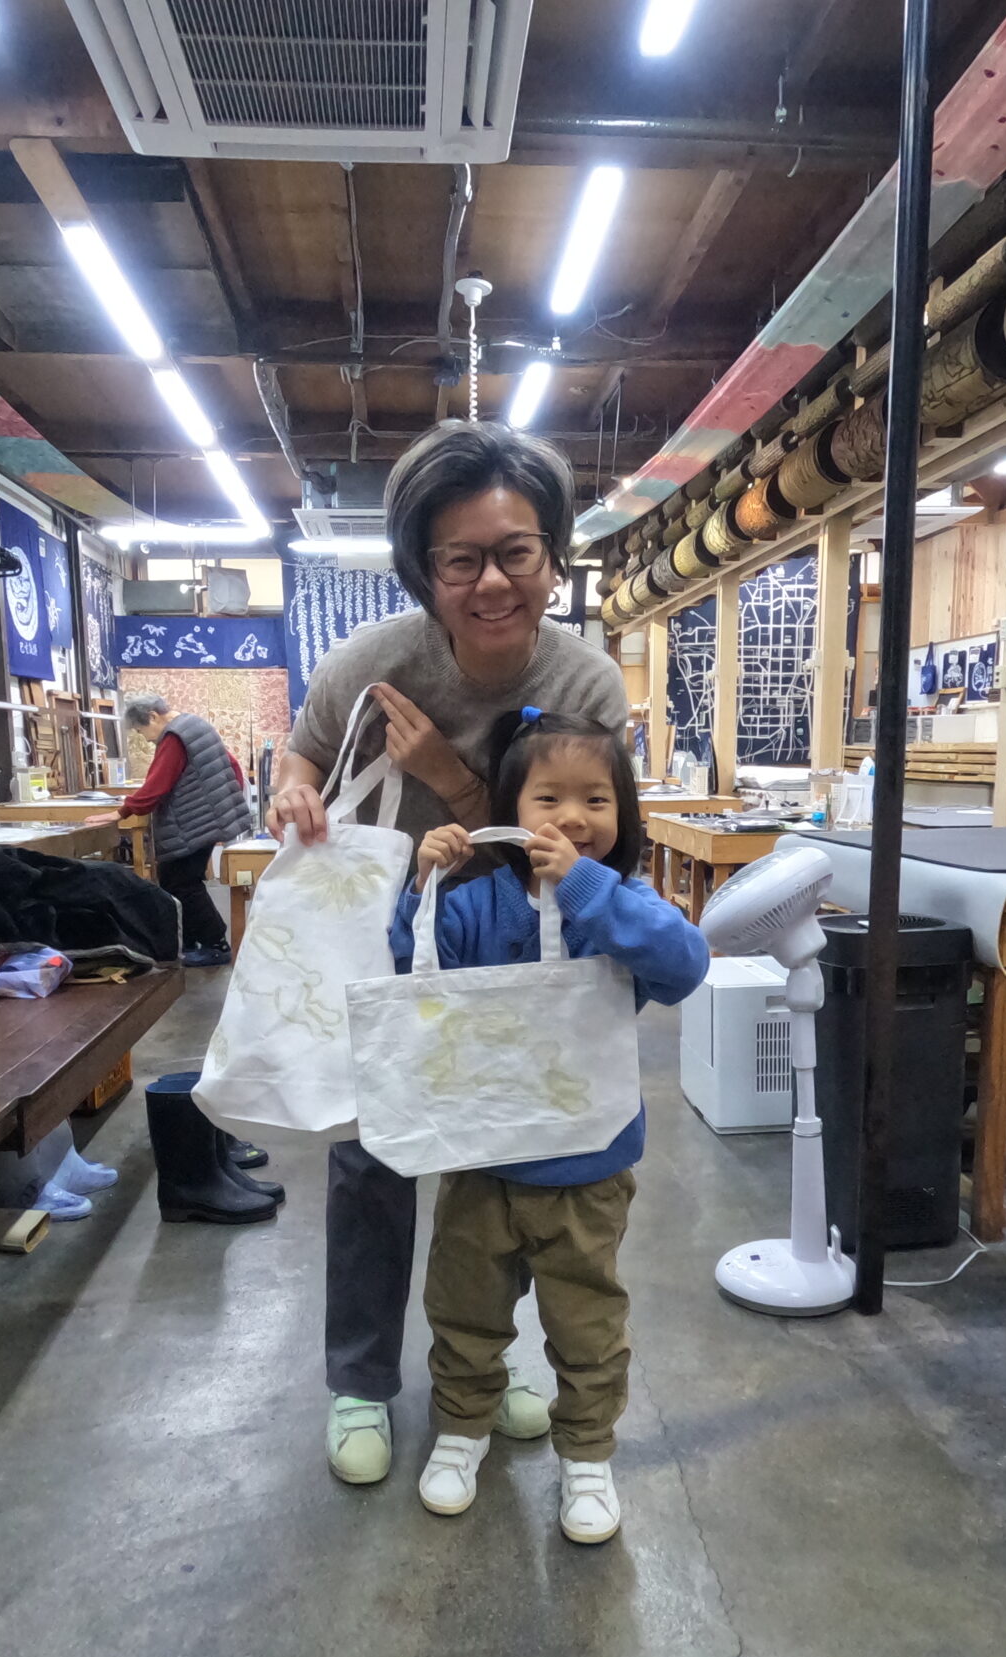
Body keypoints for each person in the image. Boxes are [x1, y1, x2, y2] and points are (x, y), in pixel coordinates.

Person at [266, 418, 628, 1487]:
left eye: (516, 552)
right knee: (370, 1159)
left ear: (553, 557)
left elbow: (582, 837)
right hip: (387, 941)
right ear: (423, 569)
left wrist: (448, 778)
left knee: (506, 1164)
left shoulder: (585, 686)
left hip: (520, 953)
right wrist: (291, 793)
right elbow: (302, 751)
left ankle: (489, 1362)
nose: (491, 583)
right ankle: (360, 1381)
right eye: (461, 560)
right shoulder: (375, 663)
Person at [392, 711, 706, 1543]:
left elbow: (684, 967)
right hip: (482, 1160)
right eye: (549, 798)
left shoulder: (622, 904)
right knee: (464, 1308)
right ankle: (463, 1429)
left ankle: (588, 1455)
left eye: (596, 799)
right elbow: (413, 972)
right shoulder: (477, 904)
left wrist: (585, 889)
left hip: (586, 1167)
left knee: (586, 1324)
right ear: (510, 809)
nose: (573, 816)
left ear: (624, 814)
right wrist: (423, 887)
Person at [95, 692, 252, 966]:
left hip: (194, 821)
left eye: (140, 730)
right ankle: (190, 942)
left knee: (183, 883)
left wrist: (122, 811)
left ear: (153, 716)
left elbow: (158, 784)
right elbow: (232, 767)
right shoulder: (195, 726)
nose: (145, 738)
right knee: (177, 880)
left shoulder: (174, 737)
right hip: (207, 817)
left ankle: (216, 944)